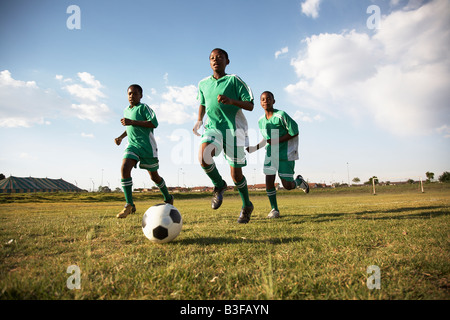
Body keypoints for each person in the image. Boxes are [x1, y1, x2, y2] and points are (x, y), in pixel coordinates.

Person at [193, 48, 254, 224]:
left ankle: (246, 205)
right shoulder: (203, 83)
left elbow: (250, 105)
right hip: (213, 128)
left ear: (227, 61)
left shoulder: (234, 80)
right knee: (204, 155)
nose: (215, 60)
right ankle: (219, 185)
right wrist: (199, 119)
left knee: (236, 176)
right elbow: (203, 103)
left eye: (220, 57)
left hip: (235, 130)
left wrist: (231, 101)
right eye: (212, 58)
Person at [247, 91, 309, 219]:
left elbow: (294, 131)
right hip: (271, 153)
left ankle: (299, 181)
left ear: (273, 101)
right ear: (260, 103)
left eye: (268, 99)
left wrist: (276, 141)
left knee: (287, 185)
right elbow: (267, 139)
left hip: (286, 153)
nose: (266, 101)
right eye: (263, 99)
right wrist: (254, 148)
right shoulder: (260, 121)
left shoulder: (281, 115)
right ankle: (274, 209)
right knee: (269, 181)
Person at [115, 84, 173, 219]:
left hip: (147, 147)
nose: (132, 96)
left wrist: (132, 121)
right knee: (124, 168)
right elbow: (130, 127)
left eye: (135, 93)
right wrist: (121, 137)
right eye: (129, 93)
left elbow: (154, 123)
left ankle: (168, 197)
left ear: (141, 95)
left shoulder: (144, 108)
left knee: (154, 177)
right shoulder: (126, 110)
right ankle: (129, 205)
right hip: (132, 145)